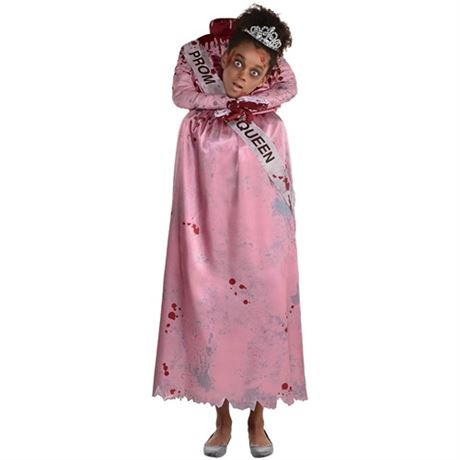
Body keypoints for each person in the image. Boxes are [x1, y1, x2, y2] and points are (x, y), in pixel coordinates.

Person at [152, 4, 308, 457]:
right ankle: (220, 415)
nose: (242, 77)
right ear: (222, 56)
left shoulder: (272, 128)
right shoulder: (197, 126)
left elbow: (282, 197)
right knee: (212, 309)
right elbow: (187, 184)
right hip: (207, 237)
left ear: (267, 77)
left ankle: (258, 415)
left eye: (255, 71)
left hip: (262, 243)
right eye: (237, 62)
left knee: (262, 311)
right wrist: (219, 104)